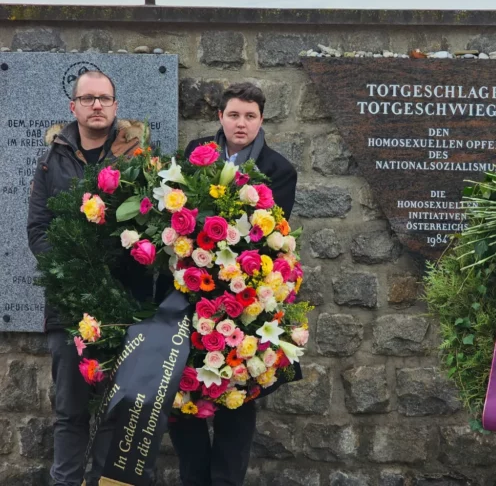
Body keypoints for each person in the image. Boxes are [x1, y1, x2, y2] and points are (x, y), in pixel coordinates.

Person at [168, 82, 297, 486]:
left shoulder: (279, 169)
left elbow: (269, 236)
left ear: (261, 120)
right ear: (220, 117)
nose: (241, 124)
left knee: (237, 398)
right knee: (184, 394)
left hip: (246, 302)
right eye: (234, 115)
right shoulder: (195, 154)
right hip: (191, 293)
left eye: (250, 116)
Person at [27, 71, 147, 486]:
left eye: (104, 98)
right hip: (67, 305)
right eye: (88, 98)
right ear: (72, 107)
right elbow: (38, 228)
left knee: (119, 406)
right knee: (70, 410)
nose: (97, 105)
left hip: (123, 303)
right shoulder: (50, 160)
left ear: (115, 106)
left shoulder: (137, 158)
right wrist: (75, 273)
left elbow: (150, 229)